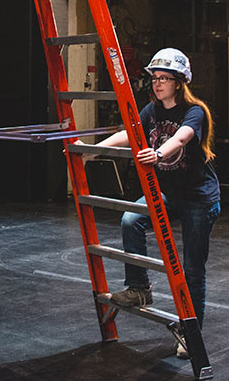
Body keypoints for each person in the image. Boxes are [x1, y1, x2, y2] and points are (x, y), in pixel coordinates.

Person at [92, 48, 220, 359]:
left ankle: (191, 333)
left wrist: (159, 153)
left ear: (179, 82)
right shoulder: (151, 110)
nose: (158, 83)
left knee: (192, 269)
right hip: (169, 193)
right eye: (155, 78)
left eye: (164, 78)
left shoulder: (194, 111)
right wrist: (92, 149)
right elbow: (130, 133)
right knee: (130, 220)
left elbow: (183, 137)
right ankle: (139, 288)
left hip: (199, 198)